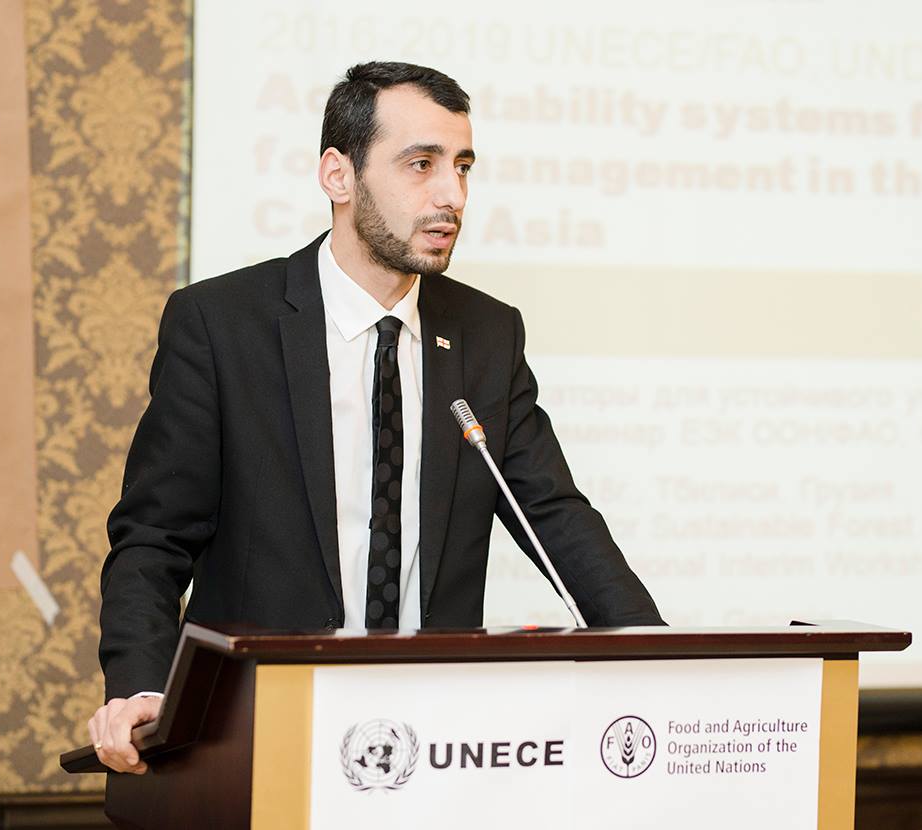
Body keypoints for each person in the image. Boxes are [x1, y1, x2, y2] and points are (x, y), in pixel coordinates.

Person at [87, 61, 663, 774]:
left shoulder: (486, 335)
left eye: (462, 167)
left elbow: (554, 518)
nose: (452, 195)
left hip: (438, 745)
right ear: (338, 175)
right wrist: (143, 686)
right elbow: (154, 537)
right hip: (257, 735)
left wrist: (656, 654)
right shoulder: (221, 325)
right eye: (421, 165)